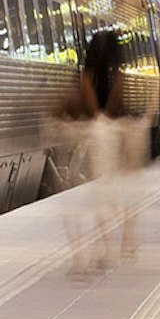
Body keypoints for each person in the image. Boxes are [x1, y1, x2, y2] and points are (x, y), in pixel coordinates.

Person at [51, 27, 138, 274]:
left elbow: (85, 85)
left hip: (87, 135)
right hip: (108, 135)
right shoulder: (118, 74)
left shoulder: (87, 75)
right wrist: (106, 117)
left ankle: (85, 256)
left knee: (85, 198)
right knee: (105, 193)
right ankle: (106, 247)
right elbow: (117, 92)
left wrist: (95, 116)